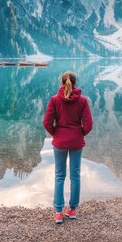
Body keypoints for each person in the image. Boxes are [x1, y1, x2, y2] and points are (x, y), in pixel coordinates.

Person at [43, 71, 93, 224]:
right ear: (75, 83)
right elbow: (89, 125)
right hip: (76, 141)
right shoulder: (82, 101)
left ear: (62, 83)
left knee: (59, 175)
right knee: (75, 175)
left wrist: (56, 134)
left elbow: (47, 122)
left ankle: (58, 212)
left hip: (60, 142)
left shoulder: (54, 100)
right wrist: (80, 133)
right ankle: (72, 210)